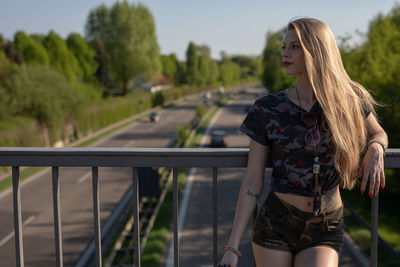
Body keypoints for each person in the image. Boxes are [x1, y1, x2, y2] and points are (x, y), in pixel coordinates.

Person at [218, 17, 388, 267]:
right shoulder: (268, 108)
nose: (285, 53)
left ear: (317, 49)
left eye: (295, 46)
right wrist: (232, 248)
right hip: (277, 223)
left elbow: (379, 133)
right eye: (284, 47)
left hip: (326, 225)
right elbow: (252, 182)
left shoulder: (349, 100)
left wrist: (376, 147)